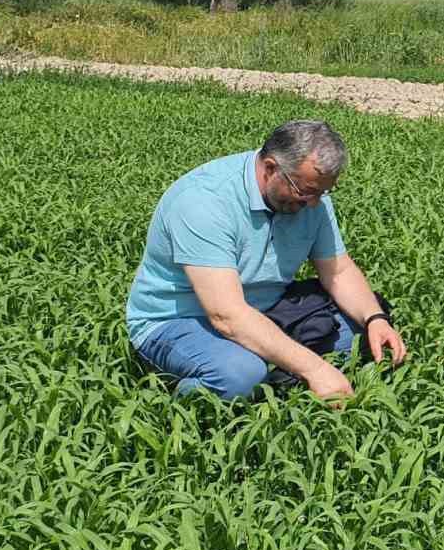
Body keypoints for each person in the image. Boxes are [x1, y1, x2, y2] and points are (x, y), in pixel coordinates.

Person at [125, 120, 406, 402]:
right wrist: (315, 368)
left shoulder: (311, 197)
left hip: (266, 307)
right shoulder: (204, 202)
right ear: (271, 168)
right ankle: (183, 400)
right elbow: (226, 316)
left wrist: (375, 318)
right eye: (305, 191)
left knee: (362, 336)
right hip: (182, 319)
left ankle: (273, 375)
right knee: (240, 375)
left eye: (322, 193)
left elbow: (339, 270)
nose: (313, 204)